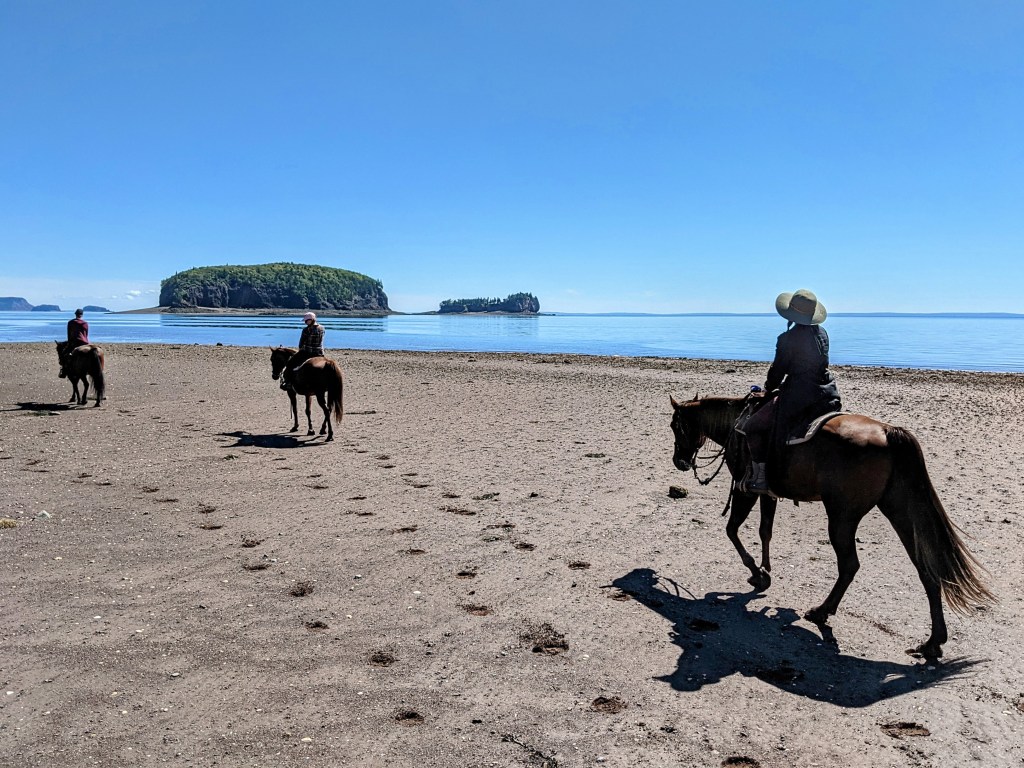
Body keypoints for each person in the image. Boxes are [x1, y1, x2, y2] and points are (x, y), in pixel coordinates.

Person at [742, 289, 842, 492]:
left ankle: (761, 478)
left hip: (799, 395)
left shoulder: (787, 338)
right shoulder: (823, 333)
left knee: (753, 427)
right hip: (827, 391)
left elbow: (778, 372)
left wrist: (768, 389)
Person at [280, 311, 325, 389]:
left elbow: (301, 343)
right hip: (320, 353)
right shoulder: (322, 328)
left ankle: (288, 383)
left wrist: (301, 348)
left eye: (306, 320)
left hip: (307, 352)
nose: (305, 322)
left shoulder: (306, 330)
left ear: (311, 320)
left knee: (290, 364)